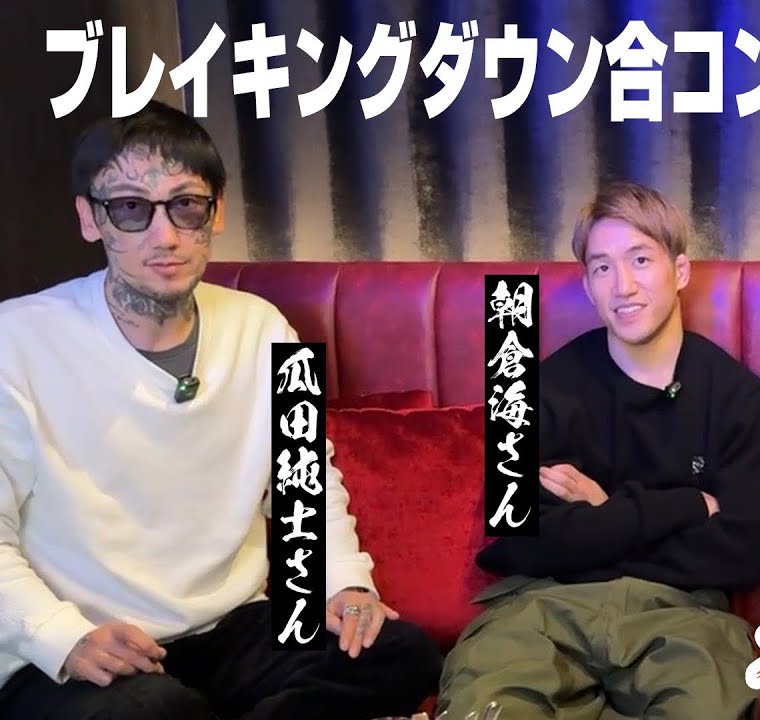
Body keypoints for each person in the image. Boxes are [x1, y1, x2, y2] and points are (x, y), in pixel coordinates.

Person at [0, 101, 441, 719]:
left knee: (401, 654)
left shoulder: (264, 327)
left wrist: (343, 582)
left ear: (217, 211)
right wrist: (61, 636)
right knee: (155, 713)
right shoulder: (16, 339)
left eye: (186, 205)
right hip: (90, 643)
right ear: (89, 218)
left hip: (231, 630)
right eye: (130, 209)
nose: (165, 236)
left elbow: (305, 484)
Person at [437, 182, 760, 719]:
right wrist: (684, 506)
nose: (623, 286)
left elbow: (742, 555)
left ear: (680, 271)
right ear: (588, 285)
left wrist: (599, 515)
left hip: (683, 616)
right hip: (541, 606)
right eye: (602, 267)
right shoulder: (528, 389)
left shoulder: (739, 398)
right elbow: (518, 541)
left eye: (640, 259)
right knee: (486, 705)